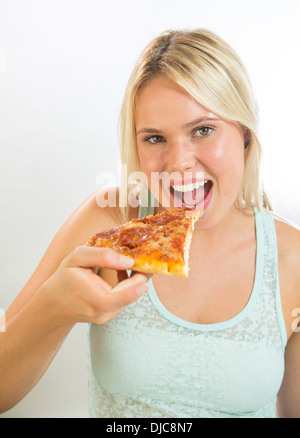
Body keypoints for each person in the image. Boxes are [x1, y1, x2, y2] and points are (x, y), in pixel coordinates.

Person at [0, 29, 299, 418]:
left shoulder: (293, 258)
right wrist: (52, 308)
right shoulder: (110, 224)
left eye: (203, 130)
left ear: (244, 133)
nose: (178, 164)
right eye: (155, 138)